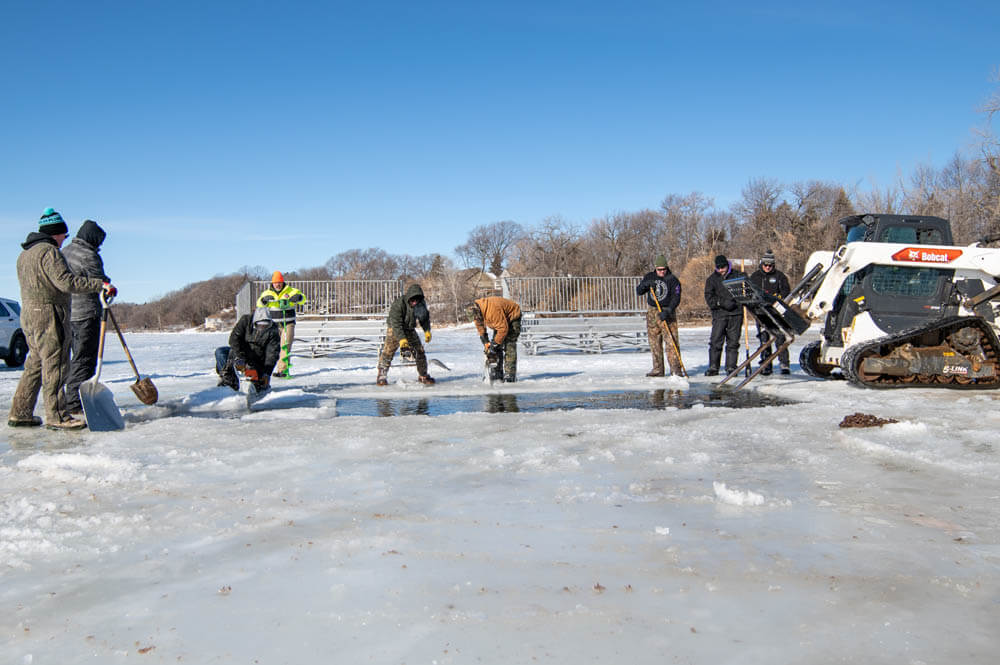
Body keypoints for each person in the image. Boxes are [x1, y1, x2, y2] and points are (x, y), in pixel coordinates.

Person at [8, 208, 114, 430]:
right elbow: (65, 282)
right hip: (49, 315)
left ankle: (20, 412)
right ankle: (57, 416)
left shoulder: (24, 254)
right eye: (63, 235)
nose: (64, 240)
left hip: (28, 314)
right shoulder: (49, 252)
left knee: (35, 363)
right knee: (55, 364)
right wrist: (99, 284)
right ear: (55, 233)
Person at [61, 220, 111, 416]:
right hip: (86, 314)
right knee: (85, 359)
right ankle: (75, 402)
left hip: (67, 314)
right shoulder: (89, 255)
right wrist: (109, 286)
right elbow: (100, 282)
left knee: (74, 358)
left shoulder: (64, 252)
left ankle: (69, 398)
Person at [377, 283, 434, 386]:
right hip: (394, 329)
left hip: (409, 328)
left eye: (417, 300)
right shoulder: (399, 304)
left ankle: (423, 375)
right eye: (413, 300)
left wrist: (427, 331)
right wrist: (402, 339)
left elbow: (424, 318)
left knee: (419, 351)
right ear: (409, 298)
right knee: (388, 352)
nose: (415, 302)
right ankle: (382, 375)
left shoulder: (421, 304)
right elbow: (396, 323)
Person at [635, 254, 683, 377]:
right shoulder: (649, 276)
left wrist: (669, 310)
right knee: (654, 343)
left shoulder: (673, 280)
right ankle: (657, 369)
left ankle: (676, 370)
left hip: (667, 312)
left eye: (664, 269)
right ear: (655, 268)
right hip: (652, 313)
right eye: (659, 269)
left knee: (671, 342)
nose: (662, 272)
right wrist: (645, 285)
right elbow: (639, 291)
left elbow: (676, 297)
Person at [215, 307, 280, 392]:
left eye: (265, 326)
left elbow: (272, 353)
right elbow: (234, 339)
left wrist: (267, 373)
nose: (262, 328)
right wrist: (240, 356)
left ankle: (254, 381)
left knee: (255, 377)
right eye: (260, 326)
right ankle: (228, 377)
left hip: (257, 360)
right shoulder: (245, 321)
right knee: (220, 352)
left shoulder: (273, 331)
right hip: (240, 354)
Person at [748, 249, 792, 375]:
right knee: (764, 339)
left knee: (780, 337)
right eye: (765, 265)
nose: (767, 267)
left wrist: (778, 297)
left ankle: (784, 364)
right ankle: (766, 364)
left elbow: (786, 292)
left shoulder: (780, 276)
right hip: (761, 313)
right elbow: (750, 292)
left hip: (776, 313)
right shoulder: (755, 277)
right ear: (762, 264)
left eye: (770, 265)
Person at [256, 271, 306, 378]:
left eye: (279, 282)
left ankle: (283, 370)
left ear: (282, 282)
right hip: (274, 325)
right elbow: (259, 304)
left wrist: (298, 298)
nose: (277, 285)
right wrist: (264, 300)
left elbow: (303, 298)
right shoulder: (268, 293)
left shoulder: (291, 291)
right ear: (272, 283)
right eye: (275, 283)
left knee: (285, 346)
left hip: (288, 323)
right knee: (272, 348)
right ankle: (266, 370)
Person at [703, 254, 744, 376]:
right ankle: (713, 367)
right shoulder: (712, 280)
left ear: (727, 265)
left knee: (733, 342)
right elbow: (709, 298)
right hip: (719, 315)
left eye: (723, 267)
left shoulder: (738, 276)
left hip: (736, 314)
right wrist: (722, 303)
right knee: (716, 341)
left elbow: (746, 291)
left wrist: (736, 302)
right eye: (719, 267)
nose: (721, 270)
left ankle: (731, 367)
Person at [469, 296, 522, 382]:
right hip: (500, 322)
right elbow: (479, 325)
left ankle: (510, 374)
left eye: (476, 317)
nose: (476, 319)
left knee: (509, 345)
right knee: (496, 347)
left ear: (477, 311)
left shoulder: (492, 311)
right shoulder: (476, 313)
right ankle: (497, 372)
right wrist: (485, 340)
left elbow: (503, 329)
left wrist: (495, 343)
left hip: (512, 317)